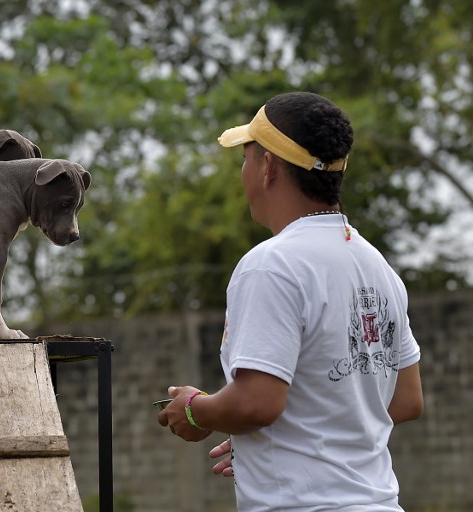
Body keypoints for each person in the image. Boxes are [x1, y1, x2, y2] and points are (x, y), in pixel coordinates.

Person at [157, 92, 424, 511]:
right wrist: (278, 438)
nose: (243, 171)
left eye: (246, 156)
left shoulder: (271, 265)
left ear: (267, 167)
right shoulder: (377, 266)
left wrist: (196, 410)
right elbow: (406, 400)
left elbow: (256, 402)